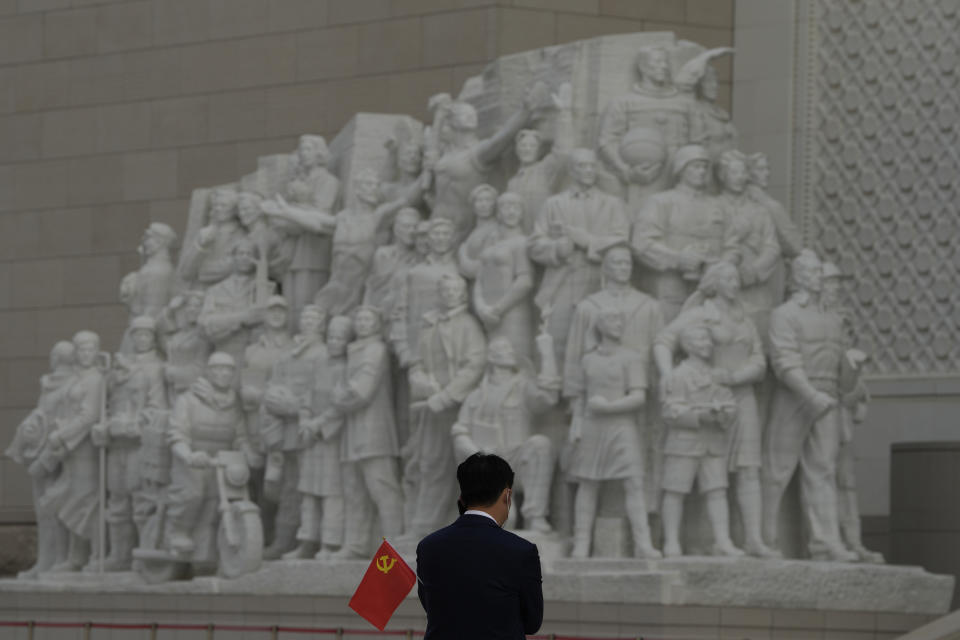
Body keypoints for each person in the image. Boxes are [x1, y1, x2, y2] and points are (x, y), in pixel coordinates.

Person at [416, 453, 543, 640]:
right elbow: (532, 622)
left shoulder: (428, 546)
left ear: (461, 499)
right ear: (507, 495)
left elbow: (431, 606)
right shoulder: (521, 551)